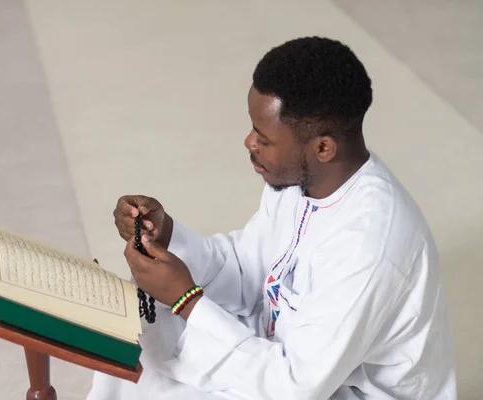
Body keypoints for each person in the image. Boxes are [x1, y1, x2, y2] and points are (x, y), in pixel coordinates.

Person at [87, 36, 456, 399]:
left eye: (264, 139)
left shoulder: (371, 244)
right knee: (138, 340)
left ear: (323, 147)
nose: (249, 143)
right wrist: (164, 233)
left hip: (337, 388)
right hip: (283, 351)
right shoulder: (299, 180)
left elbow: (297, 386)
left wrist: (187, 300)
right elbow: (251, 272)